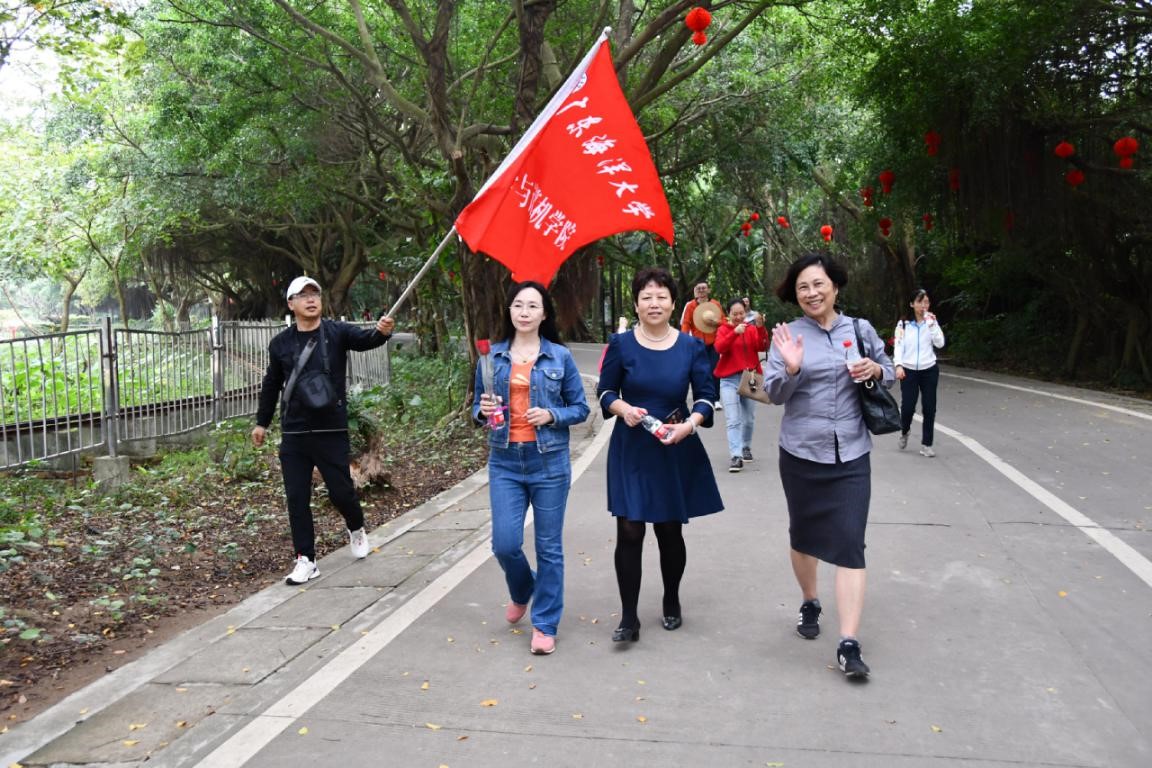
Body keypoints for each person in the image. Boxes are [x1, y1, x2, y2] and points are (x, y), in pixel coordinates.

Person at [764, 254, 895, 680]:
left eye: (818, 284)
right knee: (803, 538)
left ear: (835, 287)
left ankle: (848, 643)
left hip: (852, 453)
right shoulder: (787, 335)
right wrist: (791, 368)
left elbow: (890, 372)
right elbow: (773, 393)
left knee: (850, 543)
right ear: (795, 294)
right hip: (801, 454)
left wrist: (875, 369)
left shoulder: (860, 330)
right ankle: (810, 600)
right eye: (803, 287)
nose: (812, 293)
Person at [597, 267, 724, 643]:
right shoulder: (621, 345)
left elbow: (706, 396)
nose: (654, 303)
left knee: (669, 530)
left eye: (661, 296)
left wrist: (690, 425)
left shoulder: (690, 347)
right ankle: (629, 618)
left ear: (672, 303)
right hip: (632, 447)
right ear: (636, 304)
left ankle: (671, 598)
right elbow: (605, 392)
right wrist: (624, 409)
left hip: (674, 444)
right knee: (629, 529)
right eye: (646, 297)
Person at [252, 276, 396, 586]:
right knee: (296, 498)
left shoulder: (336, 332)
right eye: (302, 295)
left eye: (314, 294)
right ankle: (306, 559)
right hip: (294, 433)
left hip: (330, 428)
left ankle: (356, 527)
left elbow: (366, 339)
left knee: (341, 492)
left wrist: (382, 332)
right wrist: (262, 422)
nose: (310, 299)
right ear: (291, 304)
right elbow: (272, 384)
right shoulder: (280, 344)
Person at [472, 281, 590, 656]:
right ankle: (523, 588)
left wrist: (551, 415)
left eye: (532, 306)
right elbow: (477, 409)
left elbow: (581, 408)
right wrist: (483, 412)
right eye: (518, 305)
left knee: (549, 547)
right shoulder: (490, 357)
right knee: (504, 544)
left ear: (544, 314)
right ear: (509, 311)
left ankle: (544, 624)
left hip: (549, 462)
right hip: (505, 461)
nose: (524, 312)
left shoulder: (559, 357)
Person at [713, 297, 769, 473]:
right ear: (728, 314)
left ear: (746, 312)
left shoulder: (751, 329)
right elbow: (719, 348)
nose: (738, 317)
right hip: (728, 379)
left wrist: (760, 327)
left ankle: (746, 447)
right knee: (733, 419)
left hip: (750, 377)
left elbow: (762, 346)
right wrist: (734, 333)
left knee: (749, 418)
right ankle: (736, 456)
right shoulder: (723, 329)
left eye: (741, 313)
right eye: (734, 313)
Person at [893, 289, 945, 457]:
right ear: (912, 304)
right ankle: (905, 431)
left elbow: (940, 343)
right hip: (908, 370)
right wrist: (898, 365)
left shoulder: (932, 322)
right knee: (908, 407)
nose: (924, 305)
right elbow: (898, 346)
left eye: (926, 302)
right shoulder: (903, 324)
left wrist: (932, 325)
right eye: (920, 302)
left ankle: (927, 444)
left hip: (929, 369)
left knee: (929, 408)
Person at [679, 281, 726, 409]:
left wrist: (716, 322)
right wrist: (683, 339)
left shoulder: (715, 304)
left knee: (714, 370)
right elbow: (686, 323)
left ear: (708, 290)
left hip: (714, 342)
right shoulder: (691, 306)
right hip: (697, 343)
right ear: (695, 290)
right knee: (699, 372)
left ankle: (716, 399)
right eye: (698, 288)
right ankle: (700, 398)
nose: (701, 290)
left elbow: (724, 321)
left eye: (703, 288)